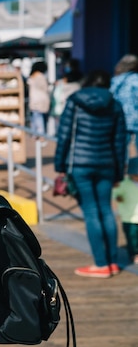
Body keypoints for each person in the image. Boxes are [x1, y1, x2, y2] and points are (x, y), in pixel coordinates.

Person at [54, 69, 127, 278]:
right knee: (106, 210)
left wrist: (60, 165)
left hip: (79, 164)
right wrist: (118, 173)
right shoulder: (115, 104)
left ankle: (101, 264)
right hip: (107, 165)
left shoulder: (75, 102)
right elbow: (119, 142)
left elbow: (64, 135)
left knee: (91, 212)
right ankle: (112, 262)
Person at [110, 54, 138, 157]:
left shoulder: (115, 80)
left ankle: (122, 169)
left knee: (121, 147)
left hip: (120, 117)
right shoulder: (136, 79)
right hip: (135, 117)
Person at [112, 157, 138, 265]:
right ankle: (134, 254)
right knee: (131, 238)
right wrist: (118, 197)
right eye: (135, 175)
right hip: (129, 217)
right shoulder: (124, 183)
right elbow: (116, 193)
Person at [50, 63, 81, 132]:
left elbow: (57, 97)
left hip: (62, 110)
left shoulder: (61, 86)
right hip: (74, 112)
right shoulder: (78, 87)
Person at [26, 61, 50, 138]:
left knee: (35, 118)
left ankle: (35, 136)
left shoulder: (31, 76)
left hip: (34, 100)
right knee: (39, 119)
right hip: (41, 100)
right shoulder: (40, 76)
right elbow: (45, 88)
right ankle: (41, 136)